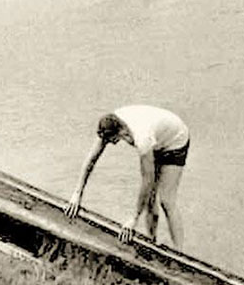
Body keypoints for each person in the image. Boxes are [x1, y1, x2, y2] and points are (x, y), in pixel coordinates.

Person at [64, 105, 189, 248]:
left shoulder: (142, 137)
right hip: (157, 136)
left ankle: (180, 253)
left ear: (120, 132)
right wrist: (77, 193)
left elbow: (147, 181)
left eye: (113, 140)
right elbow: (91, 159)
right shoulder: (111, 121)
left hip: (176, 140)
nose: (113, 144)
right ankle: (152, 242)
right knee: (149, 199)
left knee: (167, 201)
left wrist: (133, 219)